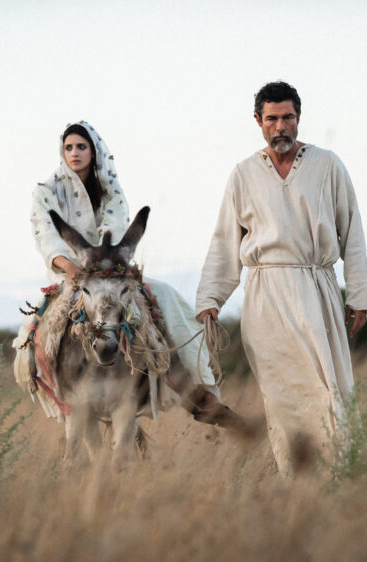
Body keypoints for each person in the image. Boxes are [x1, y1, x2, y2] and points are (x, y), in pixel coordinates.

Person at [195, 81, 367, 476]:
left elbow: (352, 232)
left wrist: (358, 294)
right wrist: (210, 299)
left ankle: (341, 477)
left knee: (329, 392)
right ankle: (299, 484)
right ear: (258, 121)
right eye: (271, 119)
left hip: (317, 288)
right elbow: (225, 240)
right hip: (265, 297)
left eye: (287, 117)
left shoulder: (328, 165)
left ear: (299, 118)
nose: (280, 127)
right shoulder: (242, 174)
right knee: (283, 399)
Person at [18, 121, 220, 420]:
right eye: (69, 147)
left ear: (94, 151)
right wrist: (71, 266)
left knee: (162, 296)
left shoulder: (111, 190)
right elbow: (45, 234)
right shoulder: (45, 192)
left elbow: (114, 227)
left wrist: (104, 263)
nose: (75, 153)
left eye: (81, 147)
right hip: (69, 274)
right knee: (34, 333)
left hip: (111, 270)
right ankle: (58, 391)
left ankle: (195, 382)